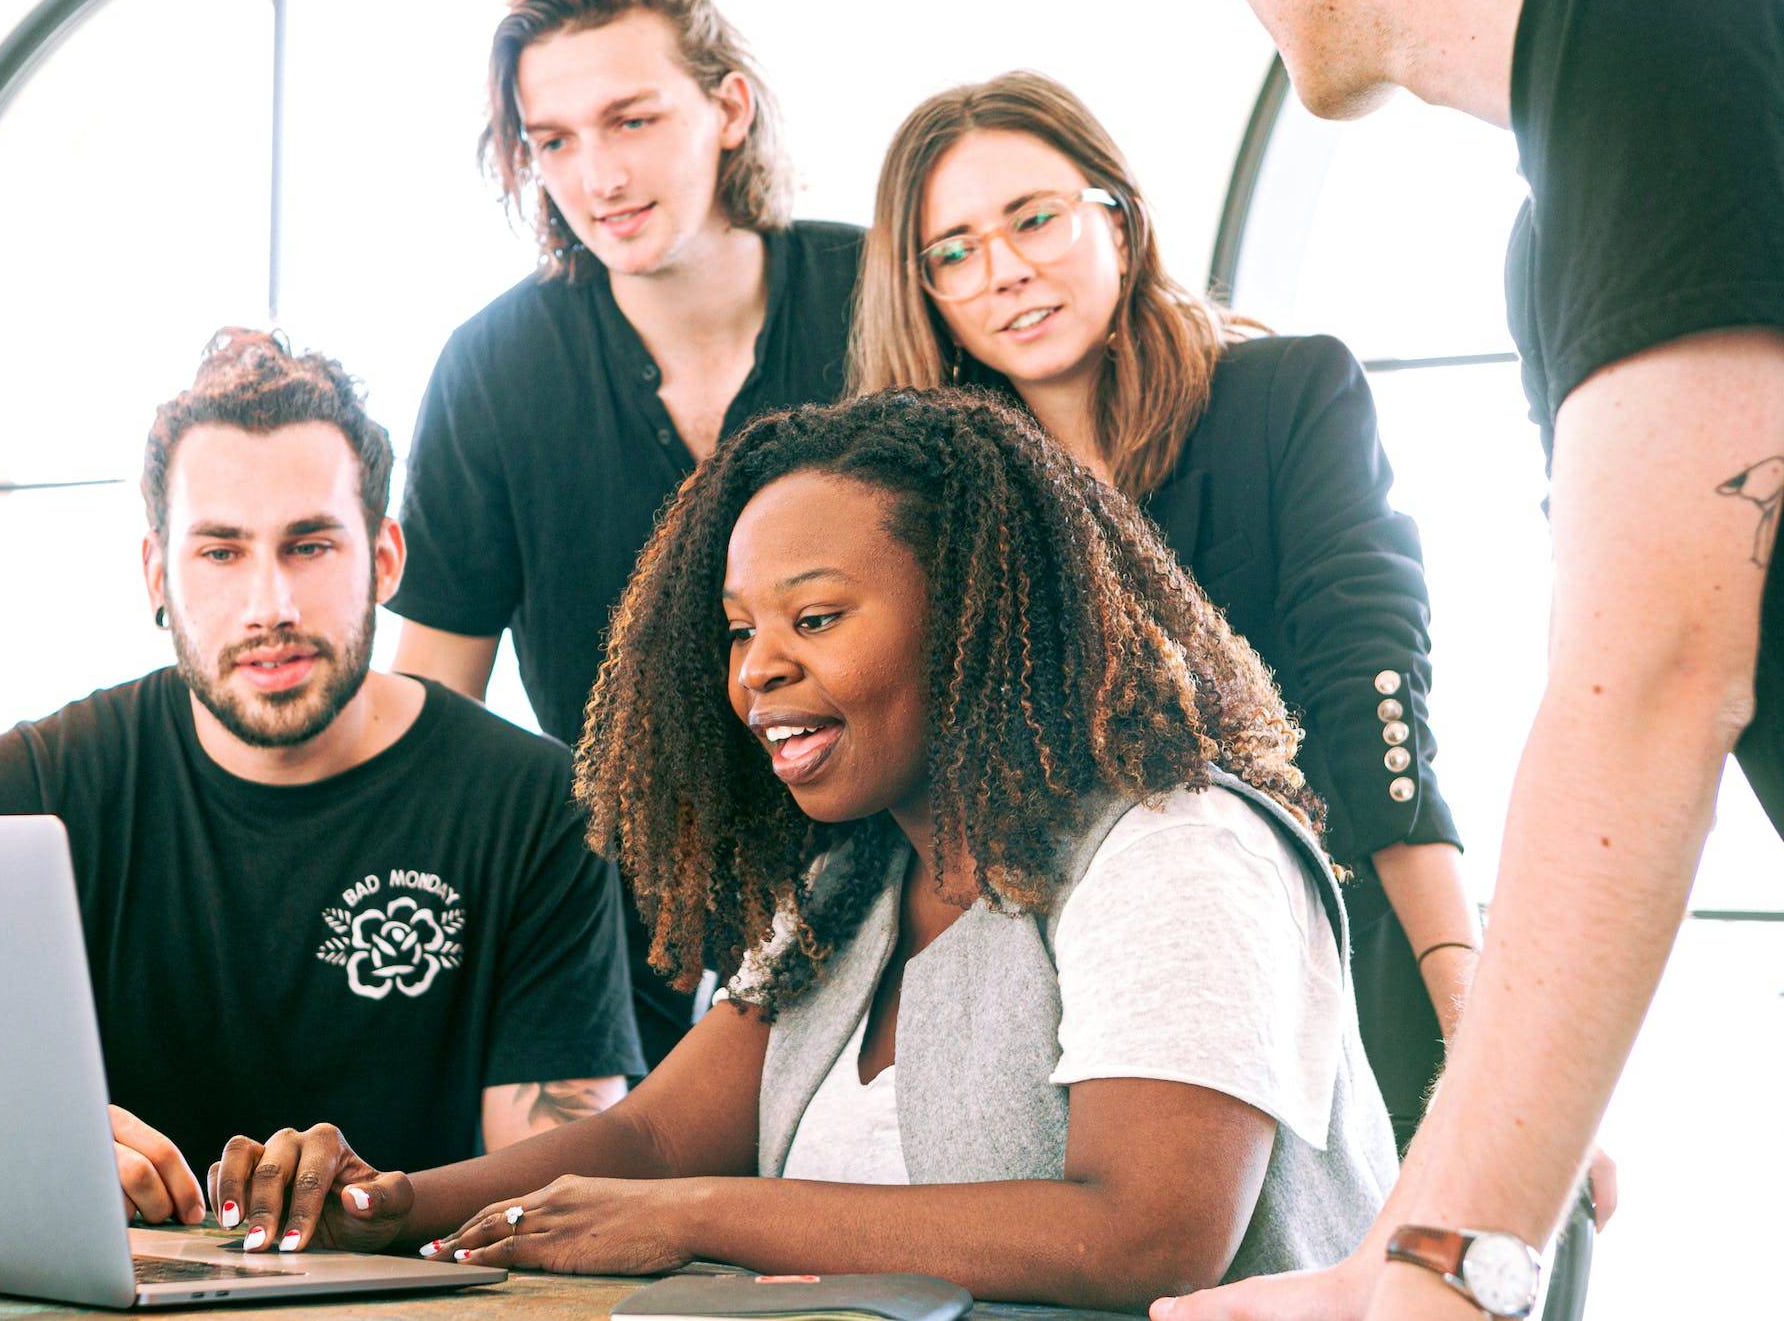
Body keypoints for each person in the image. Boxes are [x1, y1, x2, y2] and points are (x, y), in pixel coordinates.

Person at [197, 387, 1399, 1311]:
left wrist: (704, 1217)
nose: (755, 669)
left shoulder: (1174, 846)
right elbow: (652, 1137)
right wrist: (383, 1205)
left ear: (976, 610)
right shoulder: (858, 879)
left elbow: (1146, 1229)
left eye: (814, 618)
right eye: (737, 631)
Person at [1162, 0, 1784, 1318]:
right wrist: (1409, 1250)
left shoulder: (1665, 0)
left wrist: (1445, 1266)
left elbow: (1658, 681)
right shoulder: (1559, 206)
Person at [852, 70, 1477, 1150]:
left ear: (1120, 218)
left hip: (1323, 930)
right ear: (926, 297)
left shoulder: (1284, 399)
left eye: (1032, 219)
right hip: (1069, 982)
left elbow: (1370, 686)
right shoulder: (924, 503)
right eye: (951, 251)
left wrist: (1464, 991)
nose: (1002, 271)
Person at [0, 329, 643, 1238]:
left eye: (309, 547)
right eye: (221, 553)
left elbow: (555, 1194)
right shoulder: (28, 791)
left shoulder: (534, 804)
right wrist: (28, 1146)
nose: (271, 605)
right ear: (157, 574)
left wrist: (380, 1206)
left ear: (384, 558)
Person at [386, 0, 862, 1067]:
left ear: (727, 106)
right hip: (624, 934)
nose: (596, 174)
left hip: (901, 888)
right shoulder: (492, 369)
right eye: (552, 141)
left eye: (631, 119)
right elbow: (429, 714)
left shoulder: (876, 295)